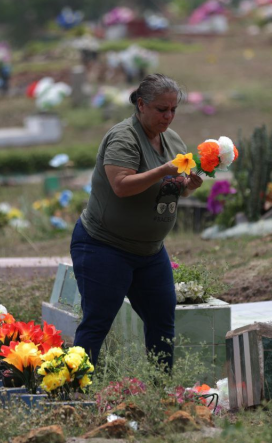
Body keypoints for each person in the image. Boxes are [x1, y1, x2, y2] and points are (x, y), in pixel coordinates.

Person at [71, 73, 203, 369]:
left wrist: (190, 184)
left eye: (173, 109)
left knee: (162, 323)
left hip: (150, 251)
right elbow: (121, 185)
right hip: (105, 246)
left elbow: (173, 187)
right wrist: (163, 171)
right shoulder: (124, 137)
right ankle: (72, 394)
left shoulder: (173, 140)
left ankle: (162, 393)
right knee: (97, 323)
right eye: (161, 109)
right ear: (141, 104)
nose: (168, 116)